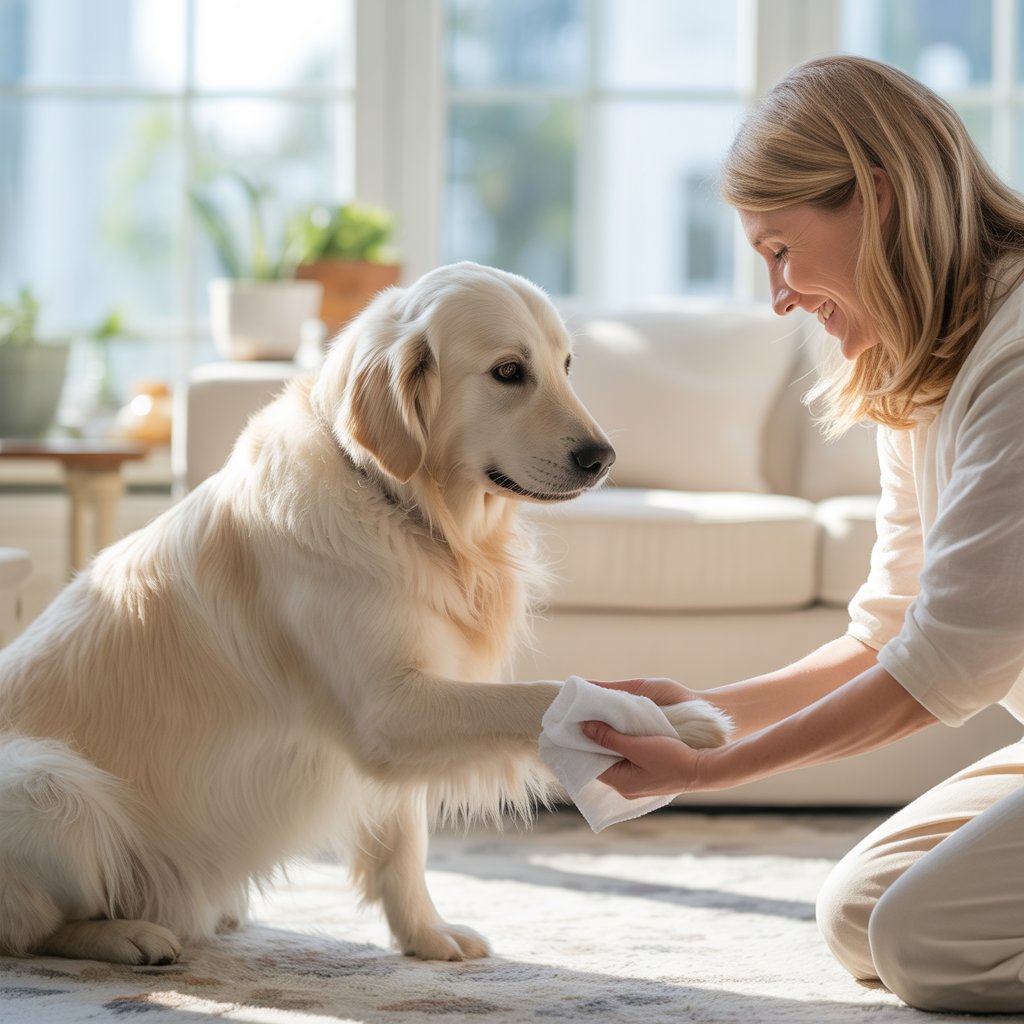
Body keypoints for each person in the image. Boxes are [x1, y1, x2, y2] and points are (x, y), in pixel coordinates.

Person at [580, 54, 1024, 1015]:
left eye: (780, 248)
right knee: (861, 913)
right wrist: (706, 711)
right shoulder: (928, 361)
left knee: (930, 945)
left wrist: (710, 770)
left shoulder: (1019, 351)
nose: (779, 295)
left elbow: (944, 662)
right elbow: (889, 627)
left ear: (878, 197)